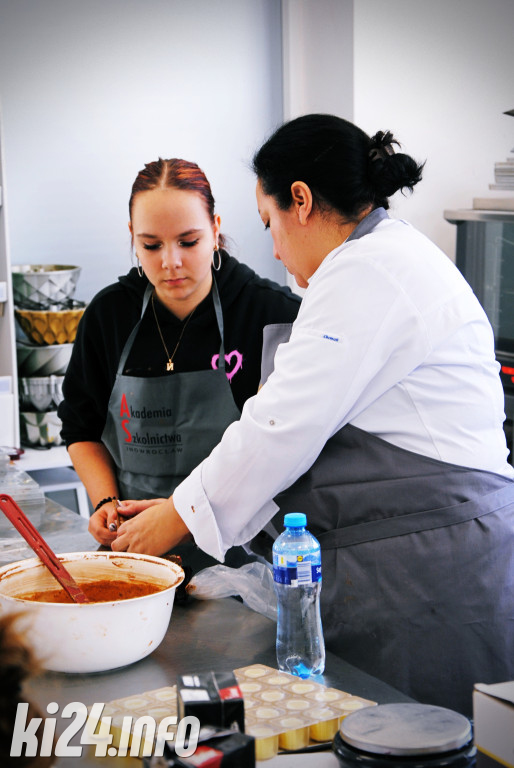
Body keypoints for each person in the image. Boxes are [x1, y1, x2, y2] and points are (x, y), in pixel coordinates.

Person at [109, 116, 514, 715]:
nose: (272, 246)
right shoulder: (379, 259)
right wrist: (183, 515)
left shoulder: (366, 270)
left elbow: (279, 429)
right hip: (414, 563)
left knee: (430, 740)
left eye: (269, 222)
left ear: (300, 200)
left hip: (436, 570)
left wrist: (175, 517)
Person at [58, 157, 301, 569]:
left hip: (242, 554)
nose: (170, 262)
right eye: (151, 245)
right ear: (132, 237)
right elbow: (81, 428)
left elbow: (289, 447)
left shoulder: (270, 314)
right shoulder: (109, 316)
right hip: (137, 549)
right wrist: (105, 501)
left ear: (215, 230)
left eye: (188, 242)